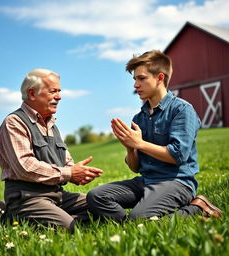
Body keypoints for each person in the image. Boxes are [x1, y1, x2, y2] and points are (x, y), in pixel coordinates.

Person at [87, 50, 222, 222]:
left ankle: (197, 208)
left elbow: (178, 155)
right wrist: (130, 148)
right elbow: (135, 167)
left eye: (141, 78)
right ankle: (129, 225)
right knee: (96, 196)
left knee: (140, 218)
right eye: (134, 79)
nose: (135, 85)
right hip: (146, 181)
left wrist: (140, 143)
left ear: (159, 78)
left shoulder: (181, 110)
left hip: (177, 183)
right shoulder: (139, 118)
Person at [0, 68, 103, 232]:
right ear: (32, 93)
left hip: (57, 194)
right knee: (68, 228)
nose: (59, 96)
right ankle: (9, 217)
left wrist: (78, 172)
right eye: (53, 91)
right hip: (27, 197)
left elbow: (65, 160)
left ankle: (59, 218)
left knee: (103, 206)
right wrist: (69, 173)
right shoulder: (14, 123)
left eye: (59, 91)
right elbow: (25, 167)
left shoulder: (51, 124)